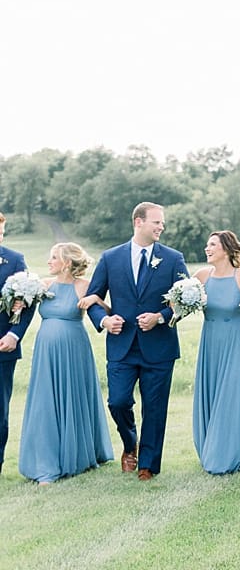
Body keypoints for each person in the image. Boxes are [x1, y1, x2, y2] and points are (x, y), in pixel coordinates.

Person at [84, 201, 189, 480]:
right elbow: (94, 298)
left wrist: (161, 316)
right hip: (121, 345)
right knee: (118, 401)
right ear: (138, 222)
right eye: (156, 222)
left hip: (160, 346)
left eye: (162, 223)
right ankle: (130, 444)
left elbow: (186, 300)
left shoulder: (173, 258)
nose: (161, 227)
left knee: (155, 407)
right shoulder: (110, 258)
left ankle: (148, 465)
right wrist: (104, 320)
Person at [18, 243, 112, 483]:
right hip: (46, 351)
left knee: (74, 396)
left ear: (67, 263)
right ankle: (44, 461)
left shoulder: (84, 287)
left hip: (73, 350)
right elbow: (22, 309)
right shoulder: (44, 286)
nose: (49, 262)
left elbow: (108, 310)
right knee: (45, 402)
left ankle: (79, 454)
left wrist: (98, 302)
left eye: (54, 257)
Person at [192, 231, 240, 474]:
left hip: (237, 344)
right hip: (210, 342)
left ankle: (226, 456)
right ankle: (211, 449)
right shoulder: (200, 276)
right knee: (212, 396)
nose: (207, 248)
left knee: (230, 397)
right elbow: (178, 305)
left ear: (227, 249)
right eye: (207, 244)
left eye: (212, 245)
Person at [0, 211, 31, 476]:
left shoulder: (14, 261)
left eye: (1, 232)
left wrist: (14, 333)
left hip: (2, 346)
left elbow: (28, 301)